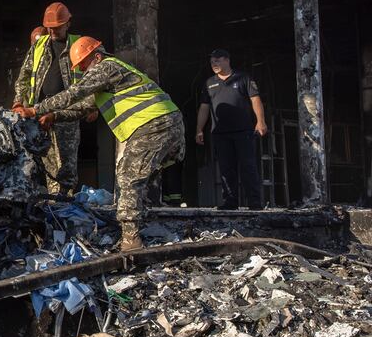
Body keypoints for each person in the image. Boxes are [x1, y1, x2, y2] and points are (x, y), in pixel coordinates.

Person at [28, 37, 184, 251]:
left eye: (83, 65)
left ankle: (131, 239)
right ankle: (143, 222)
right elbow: (82, 107)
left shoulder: (107, 67)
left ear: (97, 56)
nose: (83, 72)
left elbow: (74, 93)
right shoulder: (110, 80)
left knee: (128, 176)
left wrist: (36, 109)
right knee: (141, 176)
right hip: (166, 124)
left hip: (154, 124)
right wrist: (54, 117)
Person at [12, 2, 93, 195]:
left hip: (67, 113)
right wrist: (18, 101)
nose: (53, 31)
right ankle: (52, 201)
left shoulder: (78, 45)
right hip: (39, 110)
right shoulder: (39, 46)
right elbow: (24, 76)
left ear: (68, 23)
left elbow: (91, 79)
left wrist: (91, 106)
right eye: (50, 27)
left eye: (57, 27)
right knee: (46, 160)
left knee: (67, 162)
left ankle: (66, 200)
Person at [195, 48, 267, 210]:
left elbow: (255, 100)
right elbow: (204, 108)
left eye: (218, 60)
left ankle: (254, 202)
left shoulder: (243, 78)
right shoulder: (209, 83)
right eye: (212, 61)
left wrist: (260, 122)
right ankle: (230, 201)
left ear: (227, 60)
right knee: (226, 169)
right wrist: (199, 129)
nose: (214, 64)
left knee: (248, 166)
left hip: (243, 131)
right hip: (220, 133)